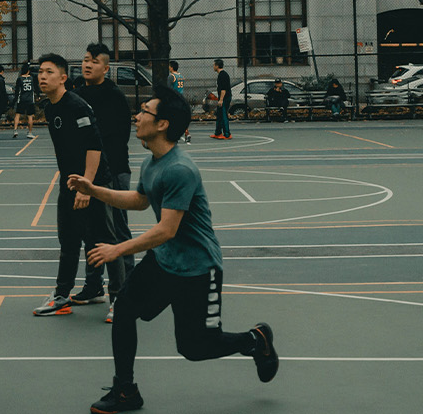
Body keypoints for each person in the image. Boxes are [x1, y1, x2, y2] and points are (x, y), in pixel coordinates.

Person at [69, 86, 279, 413]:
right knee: (124, 308)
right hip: (165, 262)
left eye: (145, 112)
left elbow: (167, 230)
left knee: (194, 348)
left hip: (197, 268)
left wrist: (117, 249)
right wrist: (94, 189)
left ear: (163, 124)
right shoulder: (152, 161)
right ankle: (125, 390)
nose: (137, 116)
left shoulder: (180, 169)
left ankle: (255, 340)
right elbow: (140, 200)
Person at [30, 53, 127, 320]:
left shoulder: (77, 106)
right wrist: (71, 184)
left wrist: (87, 187)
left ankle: (120, 298)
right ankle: (61, 296)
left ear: (62, 78)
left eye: (49, 72)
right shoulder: (50, 108)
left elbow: (94, 146)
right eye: (40, 72)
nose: (42, 77)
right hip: (70, 182)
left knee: (106, 239)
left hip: (95, 182)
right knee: (69, 241)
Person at [72, 43, 136, 322]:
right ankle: (93, 285)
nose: (88, 65)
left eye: (94, 61)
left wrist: (99, 176)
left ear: (106, 68)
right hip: (87, 175)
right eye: (85, 60)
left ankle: (127, 291)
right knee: (91, 231)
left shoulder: (114, 97)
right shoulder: (77, 95)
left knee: (117, 229)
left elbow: (113, 139)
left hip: (113, 172)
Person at [12, 65, 38, 138]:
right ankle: (29, 132)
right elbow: (35, 87)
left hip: (21, 99)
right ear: (28, 71)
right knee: (30, 116)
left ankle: (15, 130)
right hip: (30, 99)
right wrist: (38, 95)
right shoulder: (32, 78)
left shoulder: (20, 79)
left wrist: (15, 99)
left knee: (18, 114)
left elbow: (17, 90)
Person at [210, 59, 231, 140]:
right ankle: (218, 132)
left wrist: (221, 99)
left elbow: (223, 89)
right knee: (219, 115)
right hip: (223, 97)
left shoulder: (223, 75)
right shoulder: (222, 74)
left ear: (217, 66)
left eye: (214, 65)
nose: (213, 67)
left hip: (224, 98)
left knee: (223, 115)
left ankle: (227, 134)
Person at [169, 61, 190, 144]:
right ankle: (186, 133)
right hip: (181, 98)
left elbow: (169, 89)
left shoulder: (171, 77)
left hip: (175, 98)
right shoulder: (181, 76)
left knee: (173, 117)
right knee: (181, 117)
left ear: (171, 67)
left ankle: (175, 135)